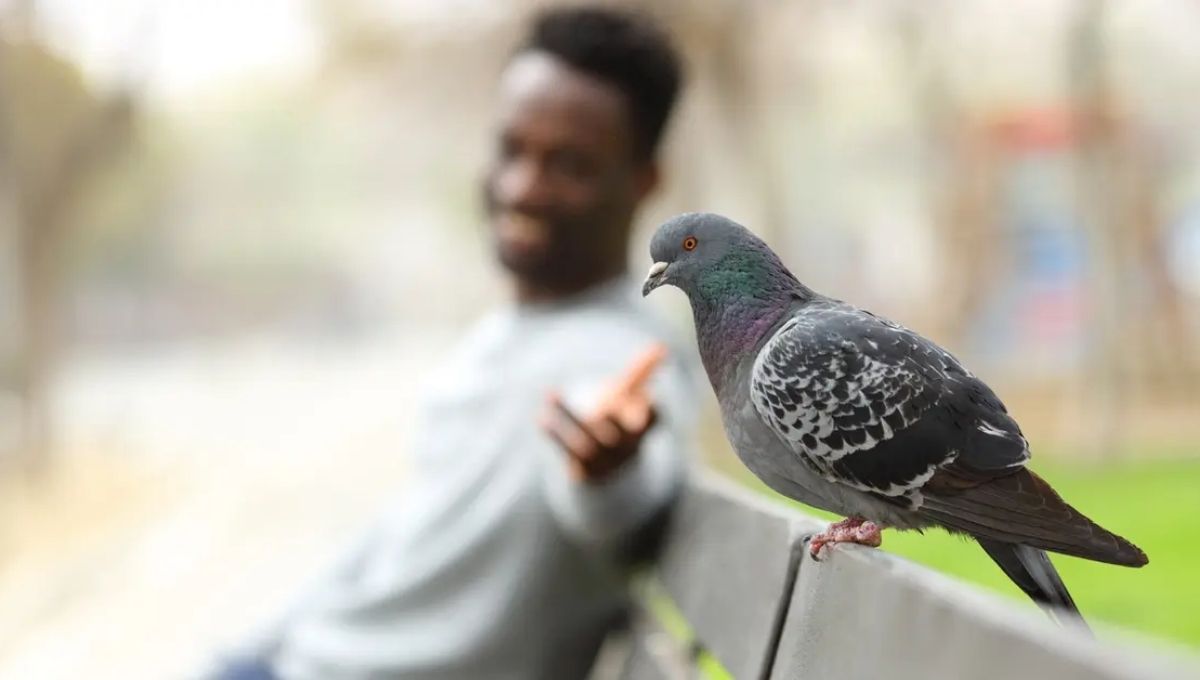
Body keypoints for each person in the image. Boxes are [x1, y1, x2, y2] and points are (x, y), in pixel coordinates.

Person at [210, 7, 695, 680]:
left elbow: (618, 486)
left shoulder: (623, 357)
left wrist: (607, 470)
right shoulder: (504, 335)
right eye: (511, 149)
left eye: (571, 165)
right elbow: (393, 543)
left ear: (644, 181)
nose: (523, 186)